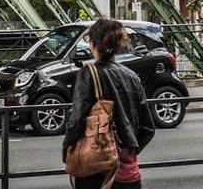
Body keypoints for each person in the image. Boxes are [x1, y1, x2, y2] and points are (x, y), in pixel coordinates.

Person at [62, 18, 156, 188]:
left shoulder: (87, 73)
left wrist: (67, 150)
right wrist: (127, 151)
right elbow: (148, 127)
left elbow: (76, 120)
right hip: (129, 175)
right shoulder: (132, 76)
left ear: (92, 44)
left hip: (97, 171)